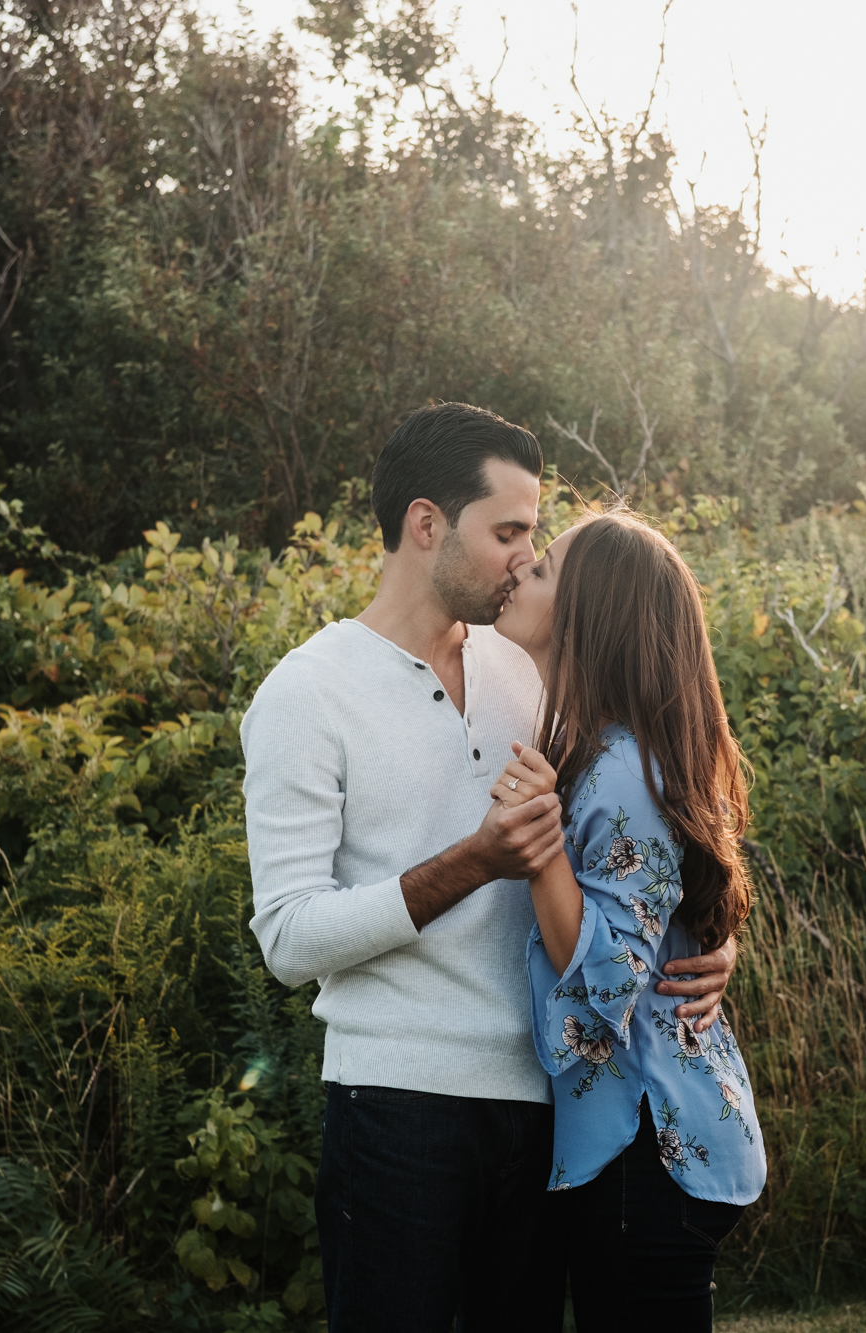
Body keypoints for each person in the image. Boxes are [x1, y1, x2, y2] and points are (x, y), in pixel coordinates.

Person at [241, 403, 738, 1333]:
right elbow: (289, 937)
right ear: (427, 524)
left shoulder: (530, 665)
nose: (524, 557)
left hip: (543, 1107)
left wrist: (712, 940)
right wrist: (473, 862)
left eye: (534, 537)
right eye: (508, 532)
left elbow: (655, 808)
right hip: (397, 1107)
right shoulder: (307, 693)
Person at [491, 509, 768, 1332]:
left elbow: (606, 984)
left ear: (589, 616)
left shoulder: (619, 771)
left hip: (641, 1144)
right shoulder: (606, 750)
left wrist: (541, 849)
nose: (519, 575)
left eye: (540, 571)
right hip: (645, 1142)